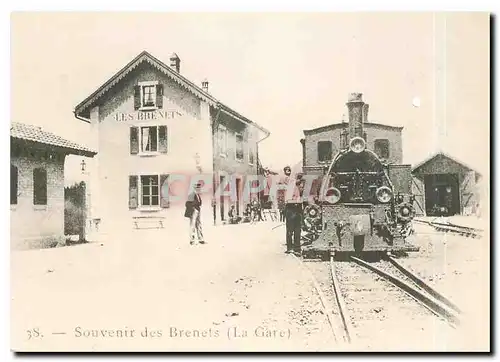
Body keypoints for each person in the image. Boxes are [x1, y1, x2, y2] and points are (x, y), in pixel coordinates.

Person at [284, 174, 305, 256]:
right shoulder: (291, 187)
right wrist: (297, 201)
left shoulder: (301, 188)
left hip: (298, 210)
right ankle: (290, 248)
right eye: (299, 181)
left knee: (297, 230)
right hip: (291, 210)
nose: (301, 184)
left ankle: (297, 248)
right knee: (290, 230)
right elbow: (287, 200)